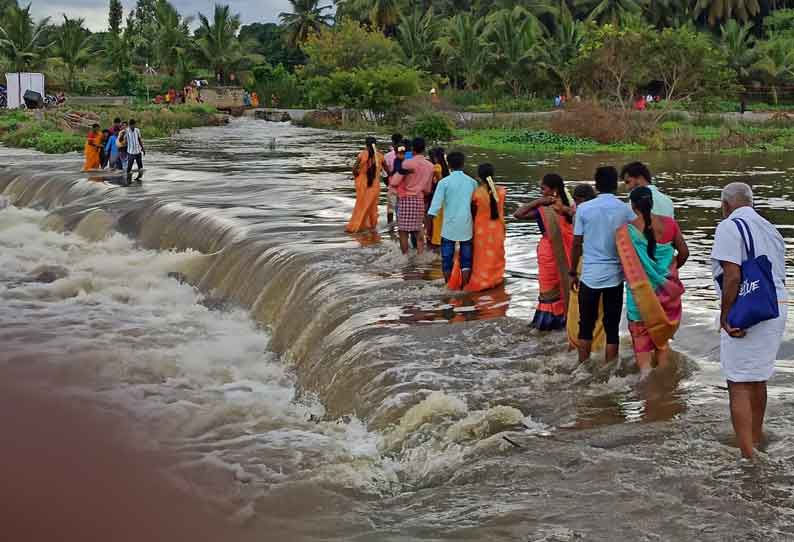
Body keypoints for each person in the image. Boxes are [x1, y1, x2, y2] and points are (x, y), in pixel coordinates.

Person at [711, 182, 787, 459]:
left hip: (748, 308)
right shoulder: (770, 228)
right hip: (775, 306)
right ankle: (755, 438)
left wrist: (725, 315)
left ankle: (748, 455)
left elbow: (732, 275)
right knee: (757, 378)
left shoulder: (729, 227)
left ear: (725, 205)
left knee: (738, 381)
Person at [617, 187, 689, 379]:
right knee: (662, 343)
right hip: (666, 296)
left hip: (640, 298)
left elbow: (625, 264)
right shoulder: (670, 225)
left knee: (643, 357)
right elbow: (684, 253)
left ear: (633, 206)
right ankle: (664, 389)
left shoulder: (625, 232)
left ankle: (648, 392)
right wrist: (670, 271)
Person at [570, 166, 637, 364]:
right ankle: (610, 368)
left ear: (597, 185)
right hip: (615, 276)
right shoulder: (625, 209)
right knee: (612, 326)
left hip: (590, 275)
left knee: (585, 325)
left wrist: (572, 271)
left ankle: (583, 366)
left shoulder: (584, 208)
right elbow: (638, 235)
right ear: (615, 184)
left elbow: (576, 243)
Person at [515, 174, 575, 330]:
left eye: (543, 188)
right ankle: (557, 323)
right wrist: (539, 201)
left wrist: (563, 209)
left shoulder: (567, 208)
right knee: (549, 289)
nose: (541, 191)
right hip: (549, 254)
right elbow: (518, 214)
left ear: (554, 189)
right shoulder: (543, 208)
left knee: (564, 286)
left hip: (561, 253)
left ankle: (560, 321)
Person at [427, 152, 478, 285]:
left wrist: (428, 229)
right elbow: (475, 206)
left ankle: (449, 287)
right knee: (466, 261)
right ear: (463, 164)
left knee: (447, 260)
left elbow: (434, 208)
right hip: (466, 226)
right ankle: (465, 287)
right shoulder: (472, 182)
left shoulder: (444, 183)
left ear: (448, 165)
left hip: (448, 227)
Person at [465, 163, 506, 292]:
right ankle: (496, 280)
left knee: (481, 258)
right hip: (498, 230)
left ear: (478, 177)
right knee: (496, 256)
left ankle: (482, 282)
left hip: (481, 231)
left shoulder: (476, 193)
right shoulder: (502, 191)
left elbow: (471, 213)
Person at [390, 137, 435, 255]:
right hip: (419, 199)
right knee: (418, 229)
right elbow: (428, 189)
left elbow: (394, 182)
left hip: (405, 199)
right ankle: (420, 256)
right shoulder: (430, 166)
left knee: (403, 231)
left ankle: (405, 256)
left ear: (413, 149)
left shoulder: (407, 163)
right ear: (424, 149)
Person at [346, 137, 384, 233]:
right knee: (372, 205)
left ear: (366, 145)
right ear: (376, 145)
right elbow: (387, 171)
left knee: (361, 205)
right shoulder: (380, 156)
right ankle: (371, 226)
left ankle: (357, 226)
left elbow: (354, 169)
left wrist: (357, 175)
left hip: (363, 183)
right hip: (375, 184)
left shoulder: (362, 155)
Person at [428, 147, 450, 249]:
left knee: (435, 223)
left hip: (437, 198)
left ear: (435, 158)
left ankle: (435, 243)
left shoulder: (436, 167)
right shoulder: (447, 168)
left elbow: (440, 183)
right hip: (446, 199)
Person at [383, 133, 403, 224]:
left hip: (392, 184)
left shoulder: (387, 156)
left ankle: (390, 228)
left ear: (392, 141)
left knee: (390, 208)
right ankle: (401, 226)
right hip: (404, 185)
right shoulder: (407, 154)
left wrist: (388, 184)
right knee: (402, 208)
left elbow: (384, 174)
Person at [124, 119, 145, 185]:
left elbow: (139, 139)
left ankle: (138, 178)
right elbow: (124, 139)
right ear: (129, 125)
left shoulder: (137, 130)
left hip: (138, 151)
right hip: (130, 152)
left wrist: (143, 148)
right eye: (131, 125)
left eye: (133, 125)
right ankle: (128, 180)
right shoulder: (126, 131)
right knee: (129, 167)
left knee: (140, 167)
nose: (132, 126)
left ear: (135, 124)